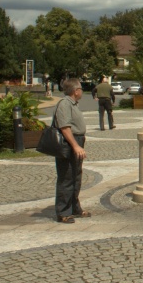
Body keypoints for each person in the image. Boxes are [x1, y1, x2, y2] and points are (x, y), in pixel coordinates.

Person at [53, 77, 89, 224]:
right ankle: (63, 212)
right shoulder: (64, 104)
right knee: (67, 177)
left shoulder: (73, 104)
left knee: (76, 177)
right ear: (75, 91)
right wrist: (75, 145)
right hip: (68, 144)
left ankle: (74, 207)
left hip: (76, 141)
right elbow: (65, 127)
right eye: (81, 88)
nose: (82, 91)